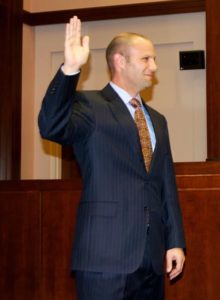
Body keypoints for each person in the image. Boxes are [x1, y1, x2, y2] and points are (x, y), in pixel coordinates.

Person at [38, 16, 186, 300]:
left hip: (152, 259)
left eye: (153, 59)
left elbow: (166, 184)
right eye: (146, 59)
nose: (154, 67)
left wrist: (175, 242)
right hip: (104, 256)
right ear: (120, 61)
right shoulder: (89, 105)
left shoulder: (158, 120)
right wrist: (70, 69)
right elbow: (51, 125)